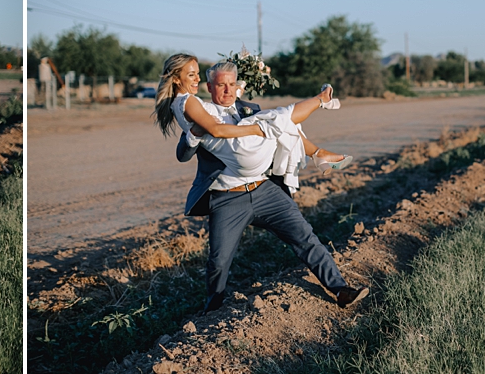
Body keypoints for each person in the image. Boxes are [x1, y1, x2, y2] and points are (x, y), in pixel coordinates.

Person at [149, 54, 363, 312]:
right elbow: (184, 152)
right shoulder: (202, 109)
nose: (227, 90)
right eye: (219, 85)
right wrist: (193, 135)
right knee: (219, 261)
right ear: (210, 88)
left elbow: (268, 123)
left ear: (238, 85)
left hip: (264, 190)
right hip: (227, 197)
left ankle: (340, 289)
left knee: (305, 237)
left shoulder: (248, 108)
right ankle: (211, 312)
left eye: (231, 85)